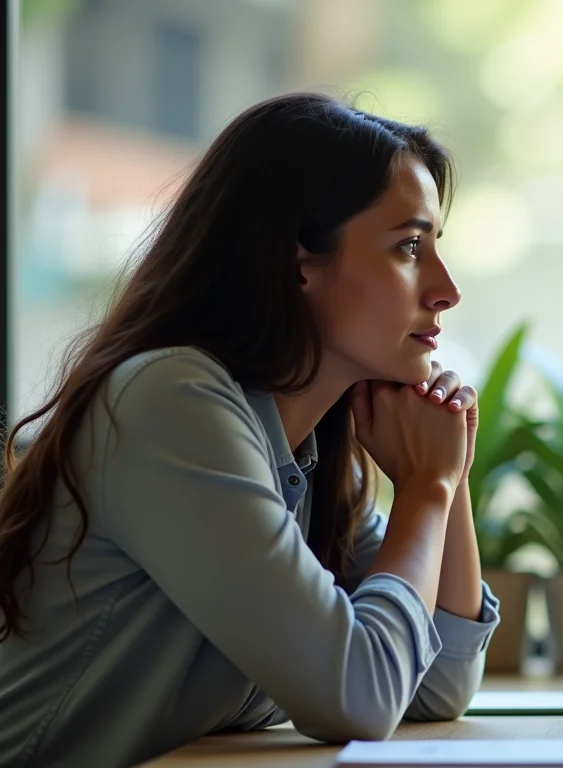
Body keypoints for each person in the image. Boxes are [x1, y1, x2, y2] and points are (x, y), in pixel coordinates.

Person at [0, 93, 501, 767]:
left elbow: (438, 683)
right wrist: (426, 490)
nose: (447, 288)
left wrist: (448, 476)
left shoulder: (309, 448)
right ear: (299, 264)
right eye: (410, 245)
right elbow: (358, 695)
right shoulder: (172, 404)